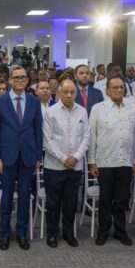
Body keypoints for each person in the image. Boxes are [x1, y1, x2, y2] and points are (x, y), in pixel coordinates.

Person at [0, 66, 43, 250]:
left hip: (28, 157)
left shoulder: (34, 102)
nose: (20, 80)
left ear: (27, 80)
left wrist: (38, 157)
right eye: (16, 77)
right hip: (7, 157)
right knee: (6, 197)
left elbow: (38, 131)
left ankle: (22, 232)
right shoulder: (0, 102)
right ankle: (4, 233)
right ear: (10, 80)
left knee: (24, 196)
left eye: (23, 77)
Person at [88, 76, 135, 246]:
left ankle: (120, 231)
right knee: (105, 199)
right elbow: (92, 137)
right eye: (115, 87)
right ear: (107, 90)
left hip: (125, 161)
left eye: (121, 87)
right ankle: (103, 231)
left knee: (121, 199)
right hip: (104, 161)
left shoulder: (133, 108)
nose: (119, 90)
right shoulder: (98, 109)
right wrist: (92, 161)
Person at [43, 79, 89, 247]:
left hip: (75, 166)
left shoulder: (82, 111)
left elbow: (87, 137)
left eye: (72, 92)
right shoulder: (51, 112)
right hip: (54, 166)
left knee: (71, 202)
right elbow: (47, 140)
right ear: (59, 93)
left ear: (76, 93)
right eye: (65, 92)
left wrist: (76, 157)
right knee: (53, 203)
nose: (69, 95)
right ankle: (52, 234)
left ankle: (69, 233)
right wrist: (63, 158)